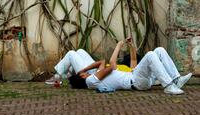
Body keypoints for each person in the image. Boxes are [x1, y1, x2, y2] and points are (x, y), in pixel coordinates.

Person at [46, 40, 192, 95]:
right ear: (83, 77)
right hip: (136, 82)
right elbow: (111, 64)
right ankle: (168, 86)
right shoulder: (91, 81)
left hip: (136, 77)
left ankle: (176, 79)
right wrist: (118, 46)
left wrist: (131, 45)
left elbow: (133, 60)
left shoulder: (118, 70)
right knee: (150, 55)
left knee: (159, 50)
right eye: (82, 74)